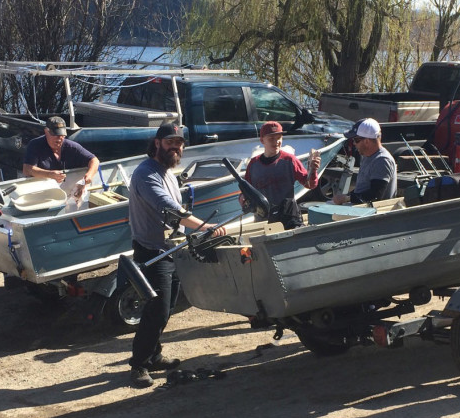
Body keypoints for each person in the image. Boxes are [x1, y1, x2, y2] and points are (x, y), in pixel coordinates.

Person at [127, 122, 226, 388]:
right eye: (171, 142)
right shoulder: (146, 174)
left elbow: (177, 212)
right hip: (152, 252)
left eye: (180, 143)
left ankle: (154, 355)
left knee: (167, 308)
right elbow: (168, 207)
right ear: (157, 143)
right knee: (156, 309)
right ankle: (138, 365)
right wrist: (205, 227)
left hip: (171, 249)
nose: (176, 147)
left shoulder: (168, 173)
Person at [243, 121, 321, 229]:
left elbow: (310, 185)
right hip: (263, 222)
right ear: (262, 140)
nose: (276, 142)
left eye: (279, 138)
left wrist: (313, 170)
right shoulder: (253, 164)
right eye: (271, 139)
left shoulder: (290, 160)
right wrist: (244, 200)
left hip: (288, 219)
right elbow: (246, 192)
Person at [23, 117, 100, 200]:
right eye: (55, 135)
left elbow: (94, 160)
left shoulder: (71, 146)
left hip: (68, 193)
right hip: (42, 193)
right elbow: (27, 170)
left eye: (61, 135)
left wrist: (89, 176)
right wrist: (49, 174)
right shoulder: (35, 145)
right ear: (46, 131)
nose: (59, 139)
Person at [331, 118, 397, 205]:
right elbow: (362, 189)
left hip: (374, 215)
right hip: (362, 209)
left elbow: (375, 196)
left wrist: (346, 198)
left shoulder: (382, 160)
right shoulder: (368, 156)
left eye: (355, 140)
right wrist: (347, 196)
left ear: (366, 141)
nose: (354, 143)